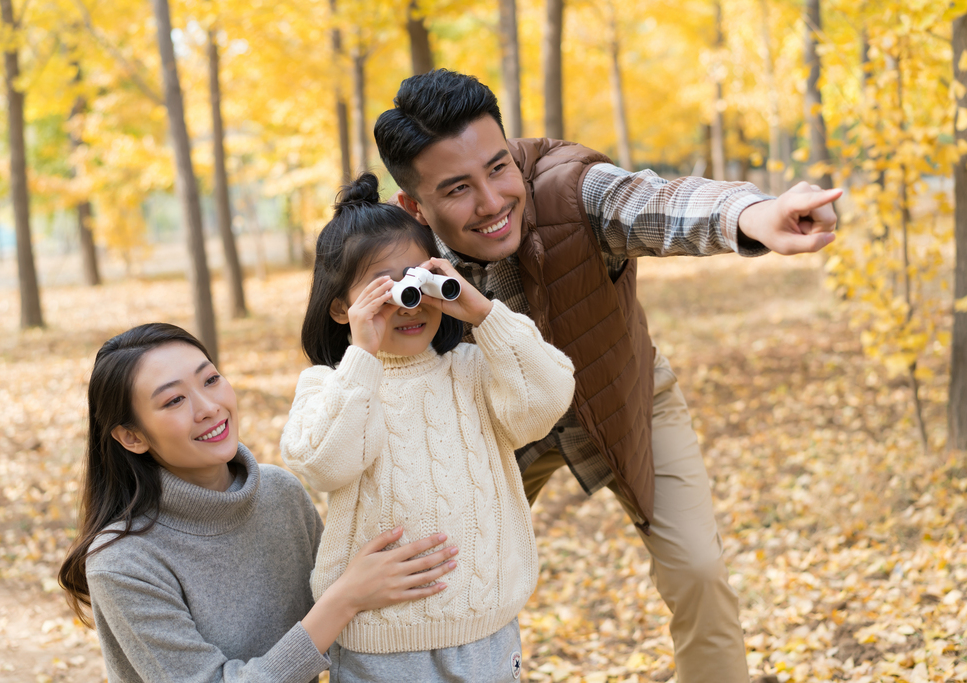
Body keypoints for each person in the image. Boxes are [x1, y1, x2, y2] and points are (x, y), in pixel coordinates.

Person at [372, 69, 843, 683]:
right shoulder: (396, 253)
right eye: (458, 188)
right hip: (493, 432)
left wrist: (753, 214)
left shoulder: (571, 188)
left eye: (498, 168)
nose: (491, 203)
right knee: (444, 592)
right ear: (415, 205)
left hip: (624, 391)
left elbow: (658, 203)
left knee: (698, 570)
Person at [280, 173, 576, 682]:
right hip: (379, 646)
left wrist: (483, 313)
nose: (406, 302)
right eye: (385, 289)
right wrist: (362, 355)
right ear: (340, 308)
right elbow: (322, 464)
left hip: (487, 632)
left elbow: (549, 397)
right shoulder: (331, 386)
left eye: (417, 280)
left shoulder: (477, 370)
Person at [57, 322, 460, 683]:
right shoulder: (123, 561)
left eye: (211, 380)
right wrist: (345, 598)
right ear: (131, 436)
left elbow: (349, 632)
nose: (209, 407)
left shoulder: (280, 494)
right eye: (174, 401)